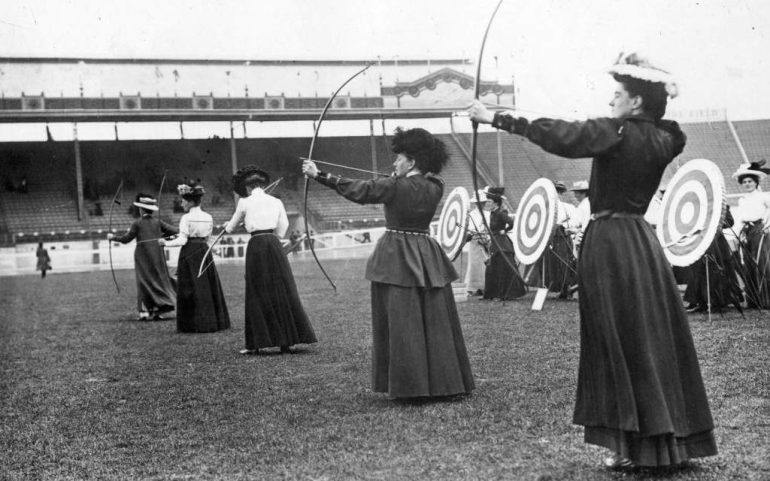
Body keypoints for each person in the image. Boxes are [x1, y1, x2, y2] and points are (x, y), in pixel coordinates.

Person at [469, 51, 717, 469]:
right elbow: (667, 128)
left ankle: (636, 446)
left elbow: (563, 135)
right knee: (649, 336)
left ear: (635, 102)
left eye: (618, 94)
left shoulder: (617, 132)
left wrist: (495, 116)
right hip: (641, 241)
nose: (611, 102)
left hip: (609, 242)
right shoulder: (665, 138)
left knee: (617, 338)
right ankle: (665, 441)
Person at [302, 127, 474, 400]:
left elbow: (361, 190)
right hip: (426, 250)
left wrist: (319, 175)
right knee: (433, 316)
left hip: (397, 253)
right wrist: (395, 177)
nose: (394, 164)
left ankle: (411, 386)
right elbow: (396, 185)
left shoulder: (394, 185)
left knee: (402, 319)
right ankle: (445, 382)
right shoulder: (436, 186)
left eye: (399, 159)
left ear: (412, 162)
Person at [224, 165, 317, 355]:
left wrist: (235, 224)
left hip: (257, 244)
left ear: (248, 188)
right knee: (281, 288)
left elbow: (230, 229)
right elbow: (283, 227)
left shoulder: (244, 202)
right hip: (274, 244)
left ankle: (257, 344)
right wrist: (270, 230)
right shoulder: (276, 201)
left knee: (257, 290)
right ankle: (287, 342)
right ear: (262, 185)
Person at [160, 182, 230, 333]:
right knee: (205, 286)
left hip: (189, 253)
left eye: (184, 200)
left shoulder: (186, 218)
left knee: (189, 288)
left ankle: (192, 324)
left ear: (191, 201)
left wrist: (164, 242)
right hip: (204, 252)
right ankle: (212, 322)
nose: (182, 203)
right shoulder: (208, 217)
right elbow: (209, 239)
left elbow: (182, 240)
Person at [108, 193, 178, 321]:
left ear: (141, 209)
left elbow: (126, 239)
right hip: (157, 255)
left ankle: (145, 312)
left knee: (143, 281)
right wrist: (164, 235)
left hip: (143, 257)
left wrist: (113, 237)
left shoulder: (137, 223)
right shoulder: (158, 222)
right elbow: (175, 230)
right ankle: (157, 310)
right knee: (157, 280)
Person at [682, 205, 743, 313]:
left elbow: (729, 221)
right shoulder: (695, 204)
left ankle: (718, 302)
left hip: (717, 242)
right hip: (700, 242)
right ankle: (699, 302)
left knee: (717, 270)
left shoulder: (720, 203)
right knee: (698, 271)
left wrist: (715, 224)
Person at [730, 161, 770, 308]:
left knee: (761, 263)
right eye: (745, 181)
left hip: (759, 230)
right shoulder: (742, 200)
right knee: (747, 263)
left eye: (750, 181)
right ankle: (753, 301)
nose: (747, 184)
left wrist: (767, 225)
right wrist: (736, 233)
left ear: (755, 182)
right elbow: (741, 219)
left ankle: (765, 300)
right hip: (745, 232)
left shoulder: (763, 196)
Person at [482, 187, 527, 301]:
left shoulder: (501, 212)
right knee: (492, 268)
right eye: (487, 201)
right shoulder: (492, 213)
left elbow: (512, 222)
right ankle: (492, 294)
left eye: (489, 202)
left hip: (502, 244)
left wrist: (505, 231)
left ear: (496, 202)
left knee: (503, 269)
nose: (487, 203)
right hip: (495, 243)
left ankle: (505, 294)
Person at [464, 190, 489, 296]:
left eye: (482, 202)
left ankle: (484, 287)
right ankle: (473, 287)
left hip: (485, 241)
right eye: (479, 202)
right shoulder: (471, 215)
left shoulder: (488, 214)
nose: (481, 204)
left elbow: (489, 227)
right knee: (474, 264)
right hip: (474, 241)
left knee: (485, 264)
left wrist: (486, 236)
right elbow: (469, 228)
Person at [566, 180, 591, 258]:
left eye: (576, 193)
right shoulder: (585, 204)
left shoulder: (585, 206)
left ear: (583, 193)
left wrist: (574, 231)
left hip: (583, 241)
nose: (575, 195)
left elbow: (585, 226)